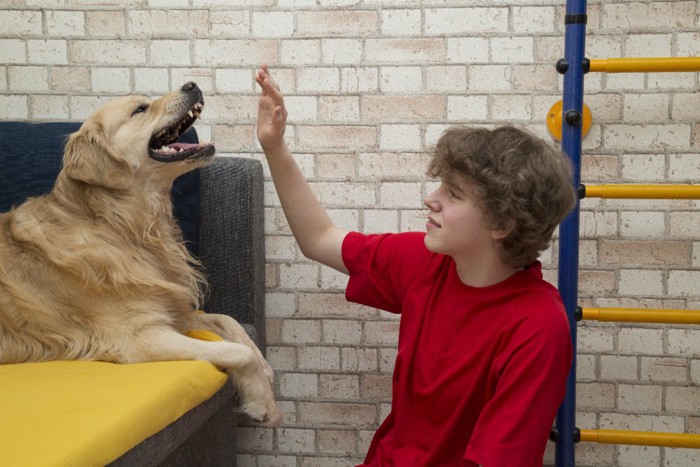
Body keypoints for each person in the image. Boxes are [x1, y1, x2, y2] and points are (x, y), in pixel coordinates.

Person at [256, 64, 577, 467]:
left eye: (454, 194)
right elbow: (319, 239)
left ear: (502, 223)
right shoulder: (426, 262)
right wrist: (275, 146)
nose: (431, 198)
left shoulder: (539, 327)